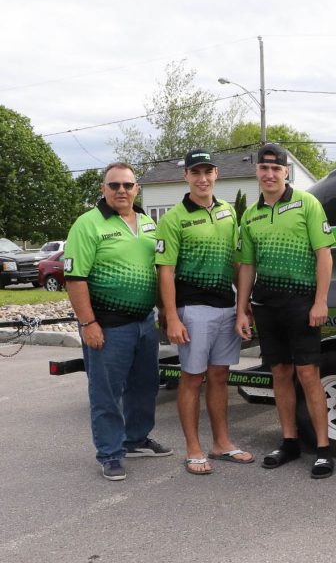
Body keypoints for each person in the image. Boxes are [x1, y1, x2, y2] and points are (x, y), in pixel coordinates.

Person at [64, 162, 172, 481]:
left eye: (127, 185)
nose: (121, 191)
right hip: (107, 326)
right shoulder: (88, 224)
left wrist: (165, 311)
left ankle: (136, 439)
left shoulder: (149, 224)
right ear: (103, 189)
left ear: (137, 188)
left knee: (145, 385)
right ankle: (110, 453)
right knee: (107, 392)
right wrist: (88, 323)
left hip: (144, 322)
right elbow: (75, 278)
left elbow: (160, 270)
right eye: (114, 186)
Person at [235, 143, 336, 479]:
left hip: (302, 303)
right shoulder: (250, 215)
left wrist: (321, 301)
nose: (269, 174)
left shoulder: (307, 204)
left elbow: (324, 255)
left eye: (275, 169)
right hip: (267, 305)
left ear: (285, 172)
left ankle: (323, 449)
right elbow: (247, 266)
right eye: (264, 168)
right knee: (279, 373)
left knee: (308, 374)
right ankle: (290, 441)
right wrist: (241, 309)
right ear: (257, 172)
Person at [155, 148, 253, 475]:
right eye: (196, 173)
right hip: (192, 309)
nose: (202, 178)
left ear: (216, 175)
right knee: (192, 379)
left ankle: (222, 443)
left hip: (226, 305)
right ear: (186, 176)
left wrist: (243, 305)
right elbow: (165, 271)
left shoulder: (227, 212)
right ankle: (194, 448)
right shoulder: (173, 219)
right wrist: (171, 317)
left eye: (207, 172)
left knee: (220, 377)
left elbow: (239, 262)